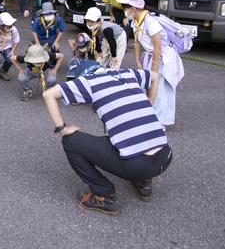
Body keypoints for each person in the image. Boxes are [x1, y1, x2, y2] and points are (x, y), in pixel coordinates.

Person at [42, 61, 172, 215]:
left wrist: (62, 129)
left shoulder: (88, 81)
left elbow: (48, 94)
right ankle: (144, 183)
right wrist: (148, 105)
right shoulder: (128, 73)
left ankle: (104, 195)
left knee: (71, 141)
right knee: (121, 138)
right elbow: (155, 77)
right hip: (165, 156)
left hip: (137, 165)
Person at [117, 0, 184, 128]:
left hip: (163, 57)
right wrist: (137, 60)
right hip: (151, 56)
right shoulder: (137, 20)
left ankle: (159, 123)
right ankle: (149, 117)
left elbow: (158, 47)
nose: (125, 11)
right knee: (147, 87)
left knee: (159, 90)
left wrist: (153, 70)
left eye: (126, 7)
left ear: (133, 8)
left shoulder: (151, 22)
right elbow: (137, 42)